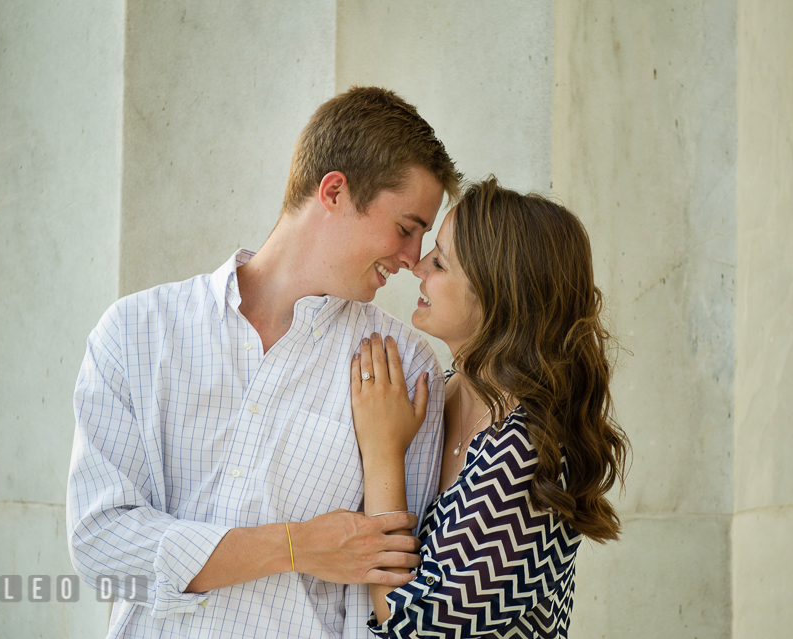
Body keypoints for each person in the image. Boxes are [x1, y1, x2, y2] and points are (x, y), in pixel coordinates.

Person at [66, 87, 462, 638]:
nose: (413, 259)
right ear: (333, 191)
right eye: (405, 228)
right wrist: (297, 546)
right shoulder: (136, 332)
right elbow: (102, 546)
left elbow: (384, 602)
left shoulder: (405, 366)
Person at [350, 177, 632, 637]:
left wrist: (383, 453)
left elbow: (416, 629)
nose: (417, 266)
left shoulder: (532, 452)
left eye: (440, 261)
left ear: (496, 296)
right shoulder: (440, 393)